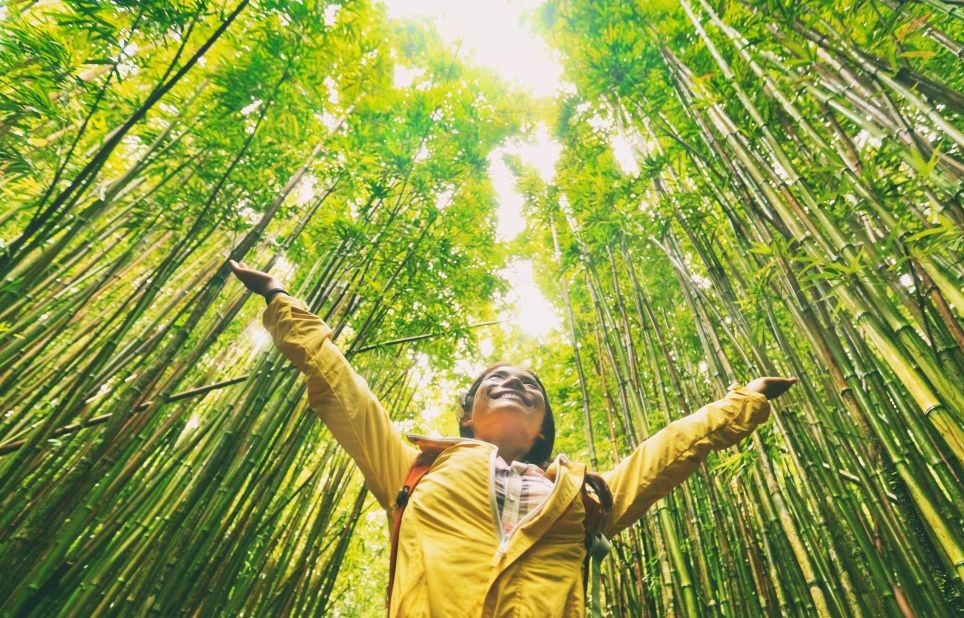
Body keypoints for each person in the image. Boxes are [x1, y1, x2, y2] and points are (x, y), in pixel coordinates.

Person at [229, 259, 797, 616]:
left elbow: (666, 451)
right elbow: (340, 386)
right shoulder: (411, 467)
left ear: (543, 425)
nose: (513, 383)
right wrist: (281, 301)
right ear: (467, 416)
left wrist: (743, 401)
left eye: (529, 384)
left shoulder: (587, 495)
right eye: (494, 381)